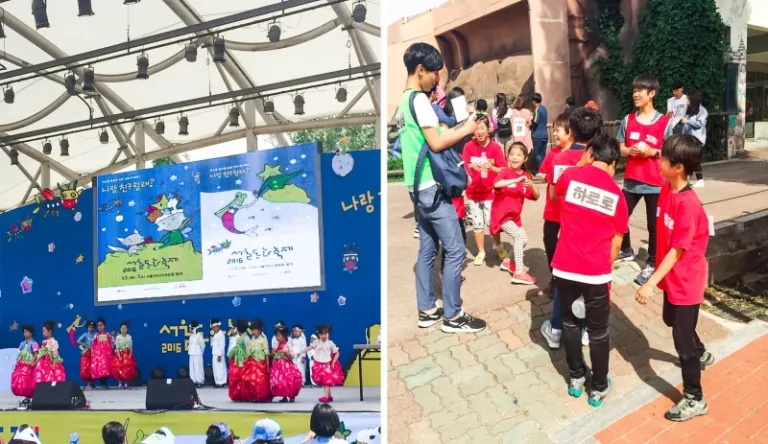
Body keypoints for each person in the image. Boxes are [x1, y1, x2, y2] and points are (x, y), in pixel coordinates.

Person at [395, 42, 485, 334]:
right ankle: (453, 315)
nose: (437, 80)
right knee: (456, 249)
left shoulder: (403, 101)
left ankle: (427, 310)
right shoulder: (419, 100)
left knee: (427, 249)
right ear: (420, 70)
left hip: (415, 186)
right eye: (434, 73)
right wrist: (467, 129)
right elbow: (436, 142)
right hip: (431, 187)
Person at [635, 134, 715, 422]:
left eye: (664, 158)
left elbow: (677, 251)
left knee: (682, 343)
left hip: (686, 282)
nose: (659, 161)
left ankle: (695, 397)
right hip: (672, 278)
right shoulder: (667, 189)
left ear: (678, 167)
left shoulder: (688, 204)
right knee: (671, 320)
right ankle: (700, 350)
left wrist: (650, 282)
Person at [552, 134, 629, 408]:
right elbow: (617, 242)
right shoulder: (617, 195)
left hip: (565, 268)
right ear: (614, 163)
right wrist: (604, 267)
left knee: (571, 323)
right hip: (596, 273)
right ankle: (598, 387)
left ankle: (575, 377)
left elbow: (554, 194)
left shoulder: (571, 176)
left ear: (591, 154)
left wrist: (581, 162)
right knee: (598, 331)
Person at [540, 108, 602, 349]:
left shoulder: (560, 159)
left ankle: (556, 330)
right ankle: (586, 330)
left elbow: (554, 195)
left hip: (564, 225)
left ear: (572, 131)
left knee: (564, 278)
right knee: (587, 282)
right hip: (589, 230)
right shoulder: (599, 160)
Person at [616, 74, 674, 285]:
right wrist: (628, 151)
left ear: (652, 94)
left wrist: (653, 152)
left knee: (654, 226)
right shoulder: (628, 120)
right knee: (619, 216)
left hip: (656, 184)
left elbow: (670, 151)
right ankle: (626, 250)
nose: (635, 94)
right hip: (631, 181)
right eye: (634, 90)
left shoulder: (664, 123)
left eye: (640, 90)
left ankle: (652, 263)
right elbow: (620, 147)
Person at [462, 114, 506, 266]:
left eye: (482, 128)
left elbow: (503, 170)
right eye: (476, 129)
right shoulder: (468, 147)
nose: (479, 132)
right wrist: (470, 166)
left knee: (492, 223)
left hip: (490, 193)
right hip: (473, 193)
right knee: (477, 224)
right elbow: (463, 167)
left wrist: (492, 167)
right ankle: (481, 252)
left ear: (488, 129)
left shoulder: (495, 148)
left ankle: (498, 245)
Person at [492, 142, 539, 284]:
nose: (514, 157)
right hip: (501, 216)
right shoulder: (505, 172)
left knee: (523, 240)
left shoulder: (525, 176)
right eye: (512, 154)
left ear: (525, 159)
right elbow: (496, 184)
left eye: (518, 155)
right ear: (507, 157)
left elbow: (536, 196)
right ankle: (519, 272)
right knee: (519, 236)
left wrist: (533, 185)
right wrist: (516, 179)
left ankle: (507, 261)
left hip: (514, 217)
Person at [301, 323, 344, 402]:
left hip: (327, 365)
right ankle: (329, 396)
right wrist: (301, 352)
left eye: (325, 334)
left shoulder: (330, 343)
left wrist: (333, 362)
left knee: (326, 380)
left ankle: (326, 397)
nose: (323, 336)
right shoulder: (317, 342)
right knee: (324, 381)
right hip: (319, 365)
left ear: (328, 334)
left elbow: (337, 353)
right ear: (319, 334)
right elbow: (309, 347)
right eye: (321, 334)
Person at [681, 91, 708, 188]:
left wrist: (687, 121)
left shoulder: (702, 111)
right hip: (688, 137)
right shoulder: (689, 109)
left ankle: (700, 180)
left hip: (698, 138)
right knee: (688, 158)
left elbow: (699, 124)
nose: (687, 101)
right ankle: (687, 179)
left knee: (694, 158)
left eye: (688, 99)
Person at [270, 326, 303, 403]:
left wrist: (285, 352)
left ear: (284, 336)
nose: (277, 338)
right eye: (276, 336)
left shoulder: (288, 344)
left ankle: (291, 396)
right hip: (278, 366)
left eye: (278, 336)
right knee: (281, 381)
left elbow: (291, 356)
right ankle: (284, 396)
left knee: (289, 380)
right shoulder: (276, 345)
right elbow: (274, 355)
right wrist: (273, 353)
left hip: (286, 366)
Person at [244, 318, 271, 402]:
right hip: (253, 364)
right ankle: (255, 396)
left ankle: (262, 396)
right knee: (252, 380)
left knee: (261, 381)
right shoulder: (251, 340)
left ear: (259, 330)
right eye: (251, 330)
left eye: (254, 330)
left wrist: (268, 366)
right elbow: (249, 353)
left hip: (261, 364)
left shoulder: (263, 339)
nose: (252, 332)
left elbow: (267, 353)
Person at [11, 325, 39, 405]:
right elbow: (19, 353)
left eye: (27, 332)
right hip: (22, 364)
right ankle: (26, 396)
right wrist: (18, 362)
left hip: (29, 365)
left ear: (31, 333)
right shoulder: (22, 343)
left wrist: (33, 362)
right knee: (21, 379)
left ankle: (30, 397)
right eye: (24, 332)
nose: (25, 334)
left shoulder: (34, 343)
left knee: (28, 380)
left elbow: (36, 354)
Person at [228, 319, 251, 401]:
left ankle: (243, 395)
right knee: (237, 378)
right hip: (238, 359)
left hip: (243, 360)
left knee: (242, 379)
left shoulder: (246, 338)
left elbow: (248, 351)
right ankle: (238, 394)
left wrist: (246, 360)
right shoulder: (241, 337)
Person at [91, 317, 114, 389]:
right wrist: (93, 353)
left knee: (107, 369)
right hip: (99, 357)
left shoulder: (108, 335)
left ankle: (105, 383)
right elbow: (93, 345)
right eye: (98, 325)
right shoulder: (96, 335)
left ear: (104, 325)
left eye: (101, 325)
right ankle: (103, 384)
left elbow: (112, 343)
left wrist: (111, 351)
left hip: (107, 356)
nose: (100, 327)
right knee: (100, 370)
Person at [112, 321, 136, 389]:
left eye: (124, 328)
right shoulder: (118, 337)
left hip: (127, 355)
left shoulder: (129, 337)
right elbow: (117, 348)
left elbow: (131, 347)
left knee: (127, 369)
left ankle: (126, 383)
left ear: (127, 329)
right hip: (120, 354)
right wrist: (119, 356)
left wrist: (130, 355)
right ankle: (120, 383)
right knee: (119, 369)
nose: (123, 330)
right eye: (122, 328)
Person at [531, 92, 549, 175]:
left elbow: (535, 121)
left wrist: (530, 121)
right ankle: (544, 170)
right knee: (543, 154)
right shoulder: (544, 108)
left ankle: (538, 171)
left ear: (534, 101)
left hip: (538, 135)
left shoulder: (537, 109)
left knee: (537, 154)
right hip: (545, 134)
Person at [77, 320, 96, 390]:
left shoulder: (96, 335)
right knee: (87, 368)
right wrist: (84, 344)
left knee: (93, 368)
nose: (90, 329)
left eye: (92, 327)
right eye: (89, 327)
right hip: (87, 353)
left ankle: (92, 383)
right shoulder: (85, 334)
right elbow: (78, 341)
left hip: (94, 353)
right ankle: (88, 384)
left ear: (94, 328)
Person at [211, 318, 228, 388]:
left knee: (220, 368)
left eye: (214, 327)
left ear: (218, 326)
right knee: (216, 368)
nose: (213, 329)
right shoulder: (215, 334)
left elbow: (222, 345)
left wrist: (220, 355)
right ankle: (217, 382)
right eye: (212, 327)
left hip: (219, 354)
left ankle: (222, 382)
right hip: (214, 353)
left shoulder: (221, 335)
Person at [188, 320, 206, 388]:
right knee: (192, 368)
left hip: (198, 354)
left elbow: (202, 345)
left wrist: (200, 352)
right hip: (191, 353)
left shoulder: (199, 336)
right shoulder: (191, 336)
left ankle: (200, 381)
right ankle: (194, 381)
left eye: (190, 328)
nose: (189, 329)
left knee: (198, 368)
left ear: (194, 328)